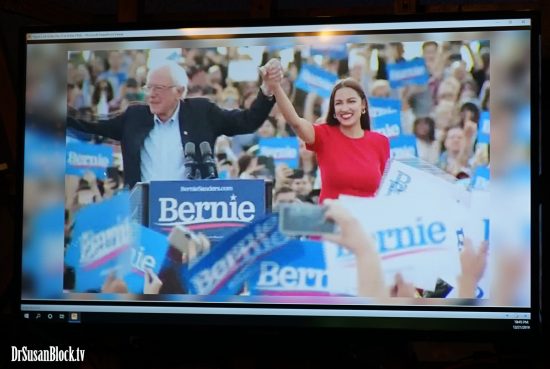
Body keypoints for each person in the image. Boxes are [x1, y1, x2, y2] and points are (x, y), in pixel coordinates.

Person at [67, 59, 281, 188]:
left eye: (157, 88)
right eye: (148, 88)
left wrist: (267, 90)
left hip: (192, 211)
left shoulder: (202, 112)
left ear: (179, 91)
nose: (150, 95)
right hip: (144, 213)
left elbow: (247, 121)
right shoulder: (134, 117)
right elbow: (92, 124)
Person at [262, 70, 389, 203]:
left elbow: (385, 189)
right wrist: (275, 87)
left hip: (366, 221)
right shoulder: (324, 134)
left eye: (351, 101)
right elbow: (296, 122)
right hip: (332, 219)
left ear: (363, 105)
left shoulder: (380, 141)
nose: (345, 108)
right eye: (338, 103)